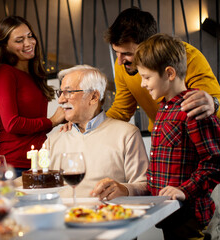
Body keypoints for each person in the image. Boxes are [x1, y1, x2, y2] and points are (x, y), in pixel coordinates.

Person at [134, 33, 220, 239]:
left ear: (169, 73)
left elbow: (215, 162)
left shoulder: (194, 109)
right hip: (168, 213)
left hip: (188, 215)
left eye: (146, 77)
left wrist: (184, 190)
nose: (142, 84)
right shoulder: (164, 109)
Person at [104, 7, 220, 132]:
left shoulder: (189, 57)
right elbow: (122, 109)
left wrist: (214, 104)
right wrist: (92, 126)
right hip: (161, 135)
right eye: (116, 52)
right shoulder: (122, 65)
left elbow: (211, 103)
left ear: (149, 46)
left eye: (127, 53)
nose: (120, 61)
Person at [42, 65, 149, 199]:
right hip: (61, 218)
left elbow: (145, 185)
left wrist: (125, 189)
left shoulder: (127, 134)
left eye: (69, 92)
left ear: (93, 96)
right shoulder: (53, 140)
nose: (61, 100)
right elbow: (33, 181)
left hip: (107, 217)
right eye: (61, 92)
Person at [0, 16, 65, 177]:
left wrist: (62, 121)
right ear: (5, 46)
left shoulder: (35, 74)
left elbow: (35, 124)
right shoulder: (4, 73)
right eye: (19, 40)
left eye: (30, 36)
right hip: (12, 165)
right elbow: (12, 124)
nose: (28, 43)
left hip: (37, 162)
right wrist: (52, 121)